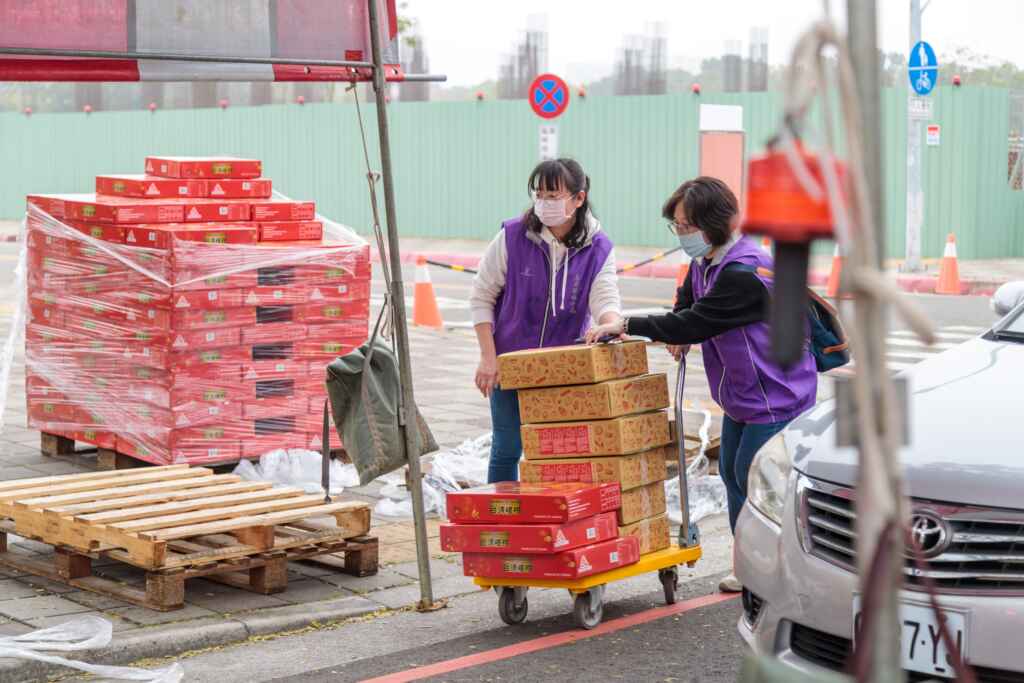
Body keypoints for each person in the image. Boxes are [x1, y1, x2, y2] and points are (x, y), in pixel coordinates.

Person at [586, 176, 817, 593]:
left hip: (776, 394)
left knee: (755, 481)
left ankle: (779, 571)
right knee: (731, 473)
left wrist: (629, 325)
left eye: (687, 226)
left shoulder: (743, 272)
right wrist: (678, 333)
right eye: (677, 225)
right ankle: (750, 564)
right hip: (742, 394)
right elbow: (687, 307)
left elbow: (694, 320)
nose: (681, 234)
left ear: (714, 223)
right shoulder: (705, 262)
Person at [471, 158, 623, 483]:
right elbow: (482, 296)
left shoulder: (598, 248)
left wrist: (612, 323)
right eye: (539, 194)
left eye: (553, 196)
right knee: (507, 447)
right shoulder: (513, 236)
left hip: (562, 368)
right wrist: (488, 357)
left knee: (558, 451)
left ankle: (552, 524)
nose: (544, 203)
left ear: (579, 198)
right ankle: (501, 522)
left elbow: (605, 299)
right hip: (509, 363)